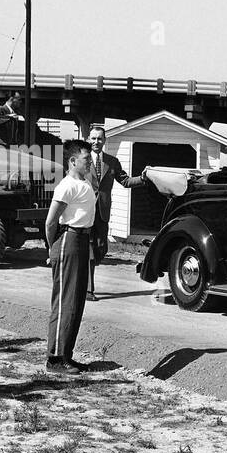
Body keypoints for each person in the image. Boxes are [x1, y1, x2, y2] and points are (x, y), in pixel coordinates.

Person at [45, 140, 97, 375]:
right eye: (86, 158)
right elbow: (50, 222)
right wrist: (51, 248)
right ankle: (54, 359)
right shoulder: (66, 186)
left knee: (76, 301)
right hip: (68, 239)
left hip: (82, 240)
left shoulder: (85, 182)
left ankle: (66, 355)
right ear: (73, 161)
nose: (90, 161)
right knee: (65, 301)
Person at [85, 125, 146, 301]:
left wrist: (143, 178)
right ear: (89, 139)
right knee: (89, 249)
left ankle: (85, 272)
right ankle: (88, 289)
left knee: (101, 248)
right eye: (93, 138)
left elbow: (125, 181)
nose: (96, 142)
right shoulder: (82, 159)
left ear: (104, 141)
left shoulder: (112, 161)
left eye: (99, 139)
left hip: (103, 212)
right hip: (86, 211)